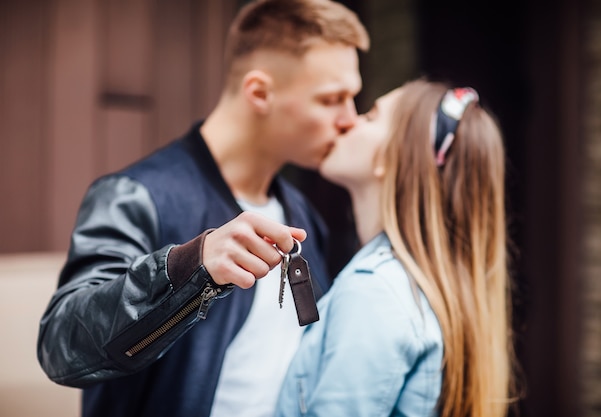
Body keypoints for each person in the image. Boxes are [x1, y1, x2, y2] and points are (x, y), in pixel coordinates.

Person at [36, 1, 369, 416]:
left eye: (352, 98)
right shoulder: (134, 196)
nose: (349, 119)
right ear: (259, 93)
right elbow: (61, 346)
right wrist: (188, 267)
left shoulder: (300, 213)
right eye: (332, 99)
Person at [274, 78, 515, 417]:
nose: (349, 121)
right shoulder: (408, 288)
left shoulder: (375, 293)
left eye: (371, 117)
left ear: (389, 157)